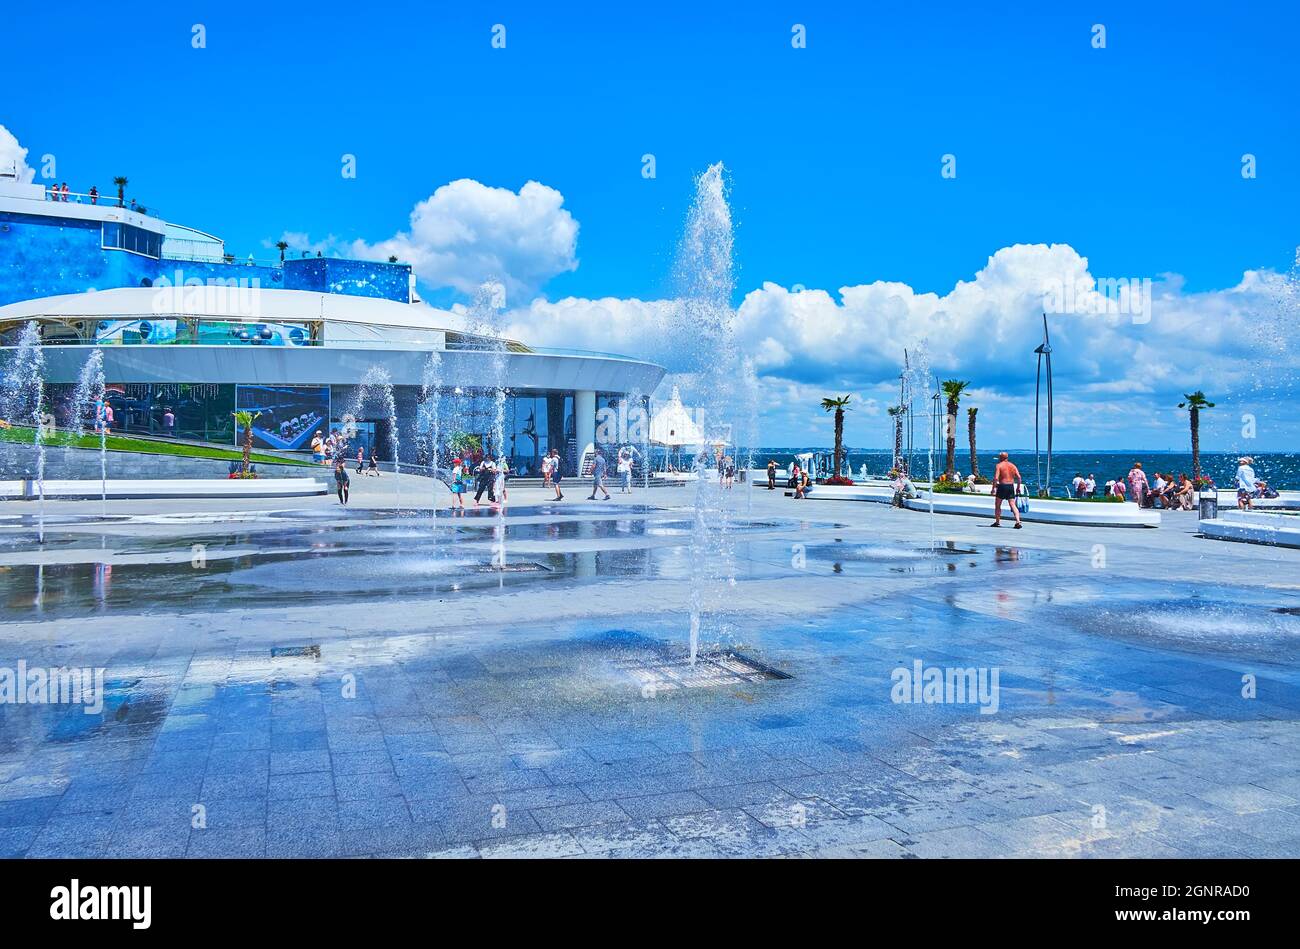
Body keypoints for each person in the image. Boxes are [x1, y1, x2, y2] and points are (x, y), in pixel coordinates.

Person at [990, 451, 1023, 528]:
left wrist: (993, 488)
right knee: (1012, 504)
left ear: (1001, 458)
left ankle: (997, 522)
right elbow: (1019, 477)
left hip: (1002, 486)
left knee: (998, 504)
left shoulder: (999, 465)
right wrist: (1018, 487)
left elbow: (996, 478)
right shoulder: (1013, 465)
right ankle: (1018, 521)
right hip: (1010, 486)